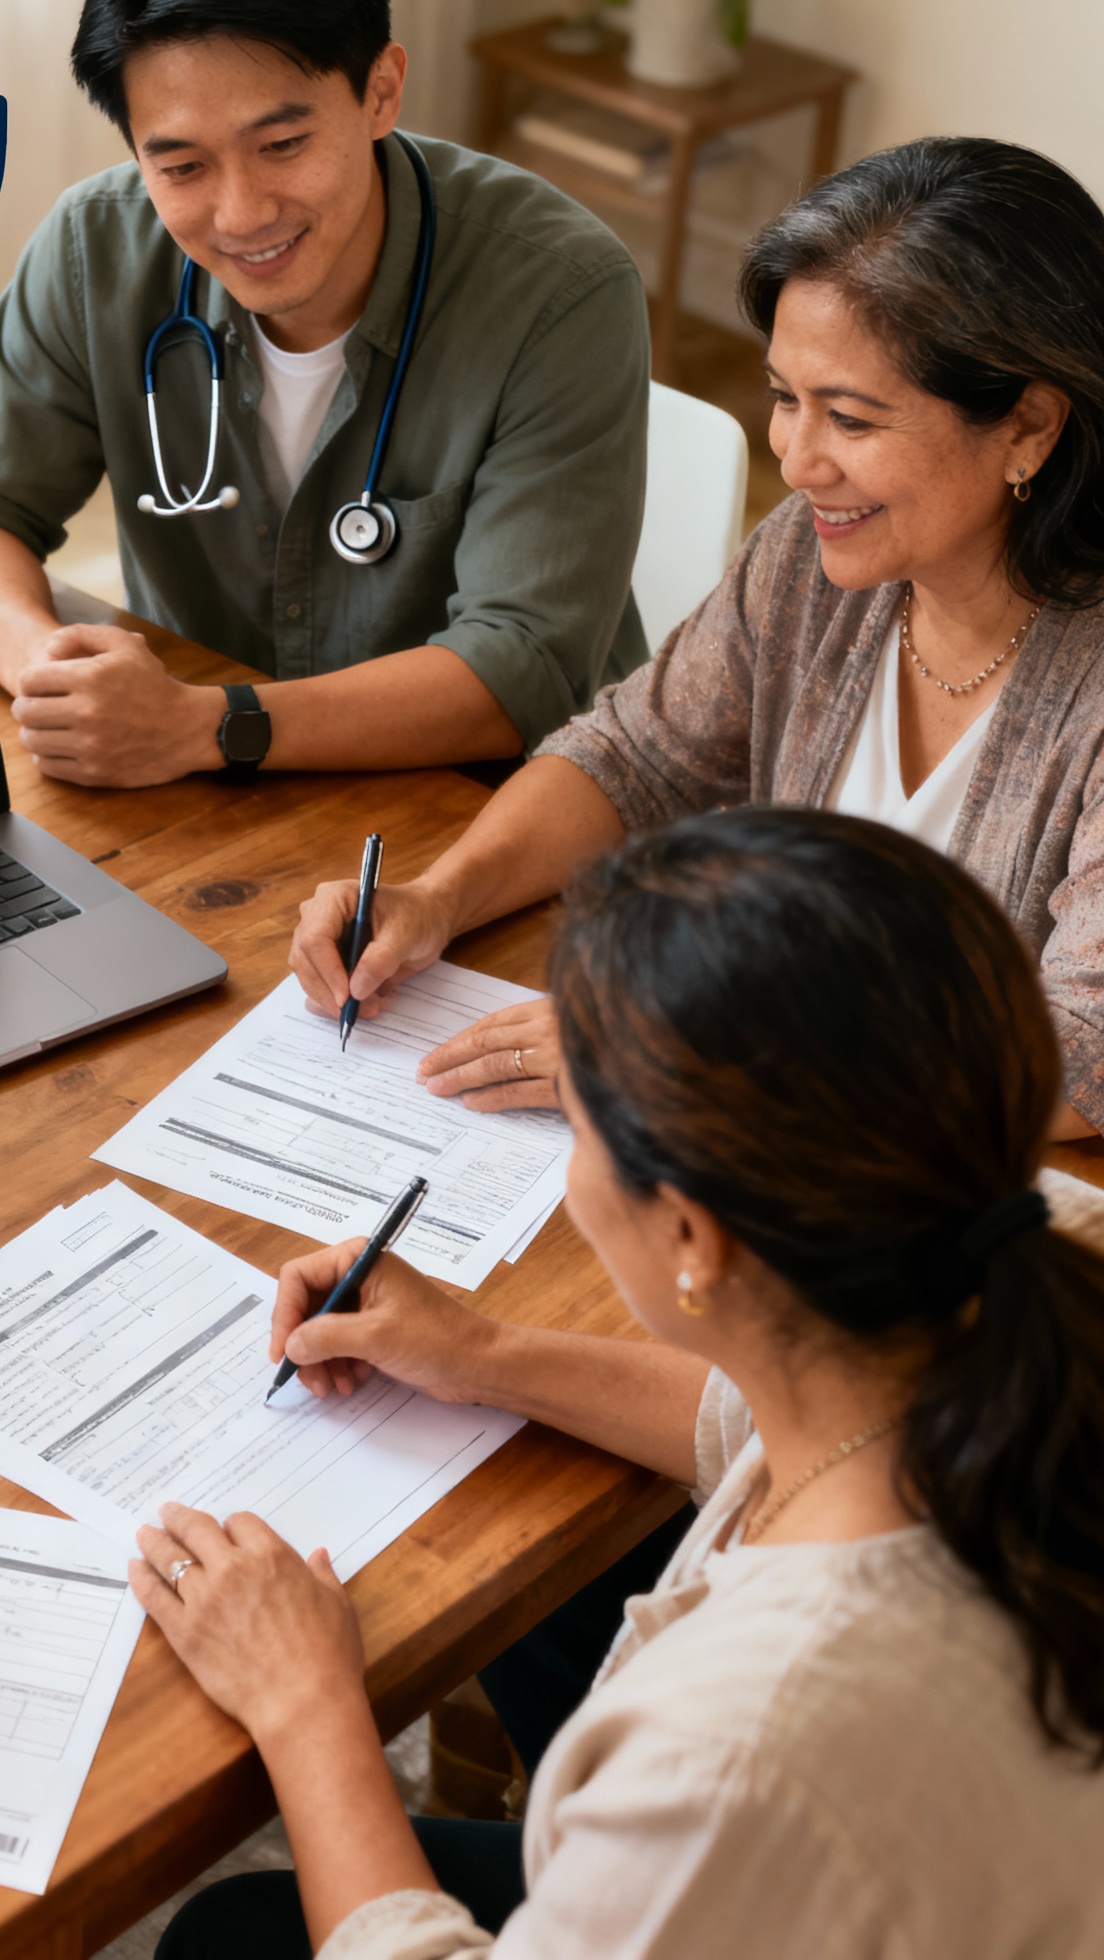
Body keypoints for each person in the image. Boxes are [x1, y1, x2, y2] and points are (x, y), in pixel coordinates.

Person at [140, 807, 1104, 1958]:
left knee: (226, 1939)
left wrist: (306, 1706)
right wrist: (484, 1355)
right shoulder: (1033, 1233)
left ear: (690, 1236)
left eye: (576, 1117)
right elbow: (784, 1410)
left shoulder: (742, 1750)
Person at [292, 136, 1104, 1138]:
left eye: (848, 419)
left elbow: (1074, 1054)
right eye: (781, 398)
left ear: (1027, 424)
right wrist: (436, 898)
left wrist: (680, 1061)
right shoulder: (814, 560)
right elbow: (636, 757)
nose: (797, 461)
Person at [0, 0, 651, 789]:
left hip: (485, 797)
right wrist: (49, 679)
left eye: (283, 145)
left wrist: (207, 727)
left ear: (381, 89)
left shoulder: (559, 289)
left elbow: (523, 665)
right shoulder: (93, 249)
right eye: (181, 167)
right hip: (207, 786)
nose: (242, 214)